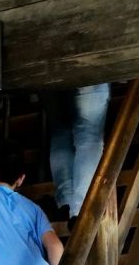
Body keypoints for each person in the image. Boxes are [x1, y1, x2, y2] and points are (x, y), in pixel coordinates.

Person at [44, 84, 110, 224]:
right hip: (87, 71)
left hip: (49, 73)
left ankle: (66, 201)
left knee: (60, 133)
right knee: (89, 138)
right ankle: (79, 210)